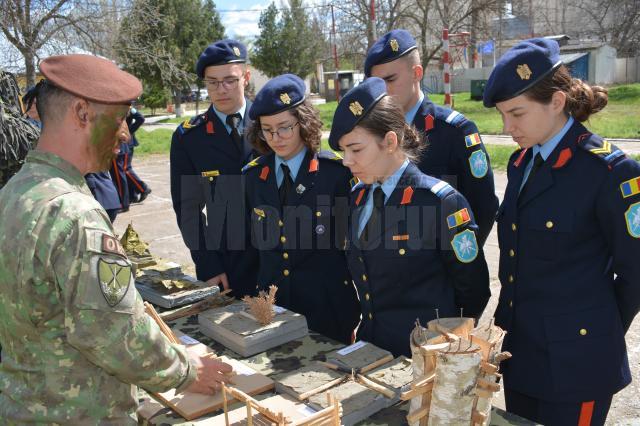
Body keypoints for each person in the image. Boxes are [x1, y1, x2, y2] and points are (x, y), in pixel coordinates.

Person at [0, 54, 232, 423]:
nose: (126, 133)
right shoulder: (77, 216)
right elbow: (114, 335)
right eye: (120, 118)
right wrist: (188, 370)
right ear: (81, 112)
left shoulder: (16, 191)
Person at [483, 38, 640, 426]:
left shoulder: (608, 171)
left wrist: (593, 333)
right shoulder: (522, 163)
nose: (508, 128)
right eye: (503, 115)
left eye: (517, 114)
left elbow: (636, 272)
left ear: (556, 102)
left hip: (577, 366)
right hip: (522, 355)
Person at [328, 77, 490, 357]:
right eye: (343, 151)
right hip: (373, 350)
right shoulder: (357, 198)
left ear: (390, 142)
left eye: (355, 149)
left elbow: (473, 291)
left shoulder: (440, 202)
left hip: (425, 359)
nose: (346, 161)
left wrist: (443, 348)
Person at [242, 74, 360, 344]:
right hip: (274, 307)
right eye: (267, 129)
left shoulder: (336, 175)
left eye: (285, 127)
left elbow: (355, 248)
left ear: (304, 122)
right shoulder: (252, 177)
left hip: (327, 309)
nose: (276, 138)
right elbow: (249, 249)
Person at [364, 29, 498, 246]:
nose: (383, 91)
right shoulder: (370, 134)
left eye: (390, 79)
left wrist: (458, 263)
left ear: (417, 73)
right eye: (376, 84)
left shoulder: (454, 131)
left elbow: (483, 207)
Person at [170, 39, 259, 298]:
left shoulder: (270, 123)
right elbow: (188, 208)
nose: (221, 89)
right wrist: (208, 263)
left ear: (246, 77)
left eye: (230, 80)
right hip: (226, 264)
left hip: (279, 257)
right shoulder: (190, 137)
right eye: (212, 82)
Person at [125, 107, 152, 202]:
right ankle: (132, 195)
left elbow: (141, 118)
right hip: (125, 142)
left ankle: (143, 188)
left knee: (125, 169)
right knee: (125, 169)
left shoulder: (128, 107)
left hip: (127, 141)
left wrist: (129, 131)